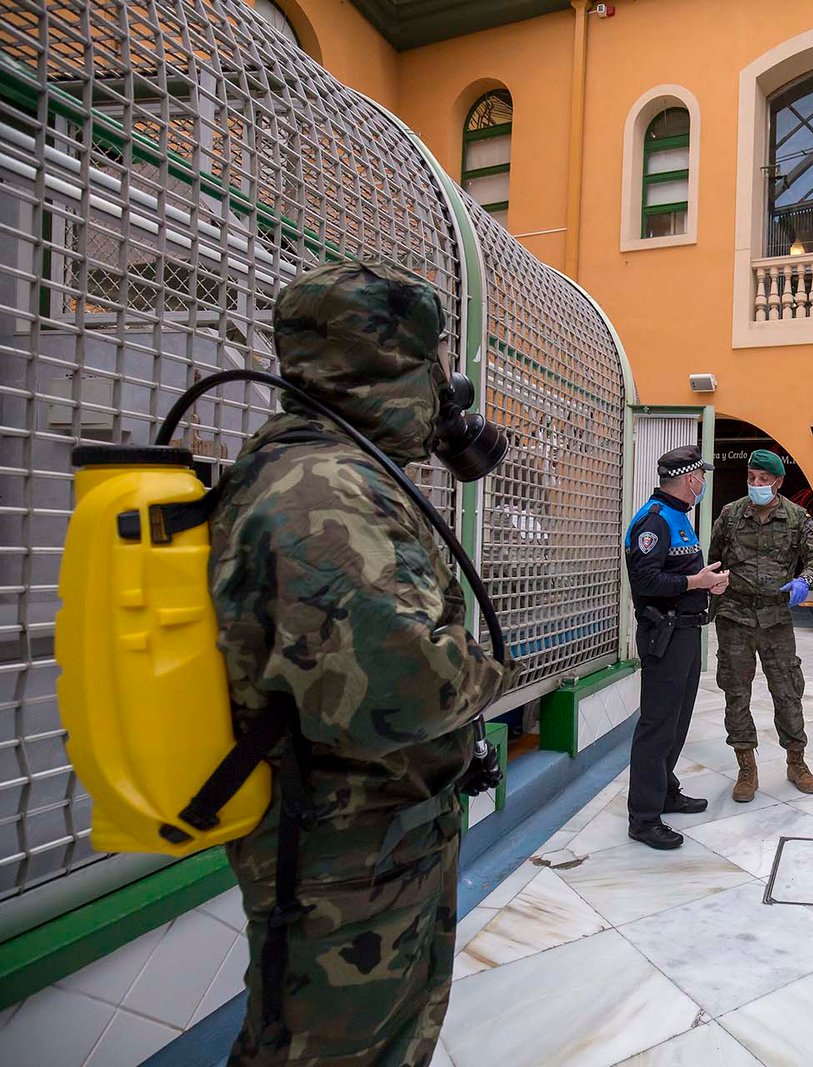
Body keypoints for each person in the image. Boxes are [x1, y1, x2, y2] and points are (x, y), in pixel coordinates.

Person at [208, 262, 512, 1066]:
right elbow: (408, 690)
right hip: (342, 861)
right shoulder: (322, 491)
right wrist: (489, 670)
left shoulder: (333, 467)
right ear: (390, 365)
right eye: (431, 361)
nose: (445, 387)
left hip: (379, 843)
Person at [707, 449, 813, 801]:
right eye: (751, 478)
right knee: (736, 693)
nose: (756, 484)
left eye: (763, 479)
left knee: (787, 691)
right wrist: (714, 584)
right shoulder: (731, 514)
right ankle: (746, 767)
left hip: (776, 619)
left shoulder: (796, 517)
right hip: (735, 617)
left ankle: (796, 761)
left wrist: (805, 579)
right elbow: (714, 560)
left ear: (778, 482)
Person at [624, 445, 730, 850]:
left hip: (685, 632)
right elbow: (645, 582)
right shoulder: (654, 521)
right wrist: (694, 583)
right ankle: (644, 818)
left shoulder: (679, 516)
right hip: (663, 635)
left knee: (678, 721)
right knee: (657, 726)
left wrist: (708, 584)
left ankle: (665, 791)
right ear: (690, 479)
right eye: (701, 476)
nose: (703, 482)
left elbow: (682, 573)